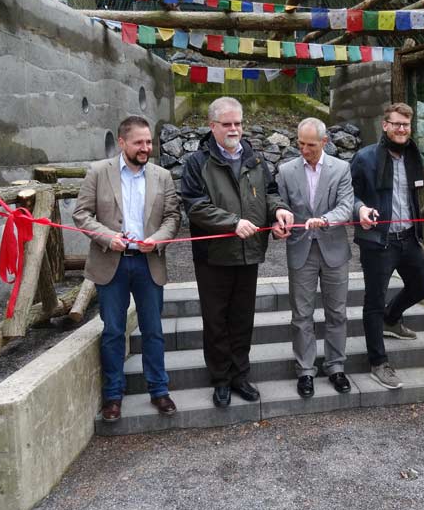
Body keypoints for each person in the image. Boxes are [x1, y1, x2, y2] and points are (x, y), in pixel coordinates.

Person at [181, 97, 294, 408]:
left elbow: (270, 194)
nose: (234, 129)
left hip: (249, 252)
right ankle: (220, 378)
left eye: (238, 123)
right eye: (227, 124)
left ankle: (240, 375)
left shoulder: (255, 159)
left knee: (243, 318)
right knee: (216, 320)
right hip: (213, 255)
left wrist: (279, 212)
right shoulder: (196, 163)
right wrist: (232, 222)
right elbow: (194, 206)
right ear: (212, 125)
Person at [73, 116, 181, 422]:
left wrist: (157, 240)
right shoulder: (98, 172)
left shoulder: (162, 176)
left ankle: (159, 391)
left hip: (149, 263)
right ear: (122, 143)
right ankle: (113, 397)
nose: (146, 147)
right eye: (139, 142)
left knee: (154, 331)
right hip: (111, 264)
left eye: (149, 142)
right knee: (113, 333)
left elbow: (173, 217)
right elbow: (81, 214)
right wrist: (108, 238)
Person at [351, 102, 424, 390]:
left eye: (406, 125)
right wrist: (360, 209)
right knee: (373, 300)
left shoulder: (413, 156)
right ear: (385, 125)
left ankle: (391, 318)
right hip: (378, 241)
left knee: (421, 287)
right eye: (396, 124)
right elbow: (350, 195)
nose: (401, 129)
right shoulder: (365, 158)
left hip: (408, 237)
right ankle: (378, 362)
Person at [274, 118, 354, 398]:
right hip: (300, 250)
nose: (304, 150)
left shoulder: (341, 169)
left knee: (337, 313)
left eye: (310, 145)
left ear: (325, 142)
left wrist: (326, 219)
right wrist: (278, 222)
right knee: (301, 315)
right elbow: (279, 205)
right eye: (300, 144)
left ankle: (336, 366)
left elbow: (346, 206)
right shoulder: (285, 171)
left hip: (334, 250)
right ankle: (305, 371)